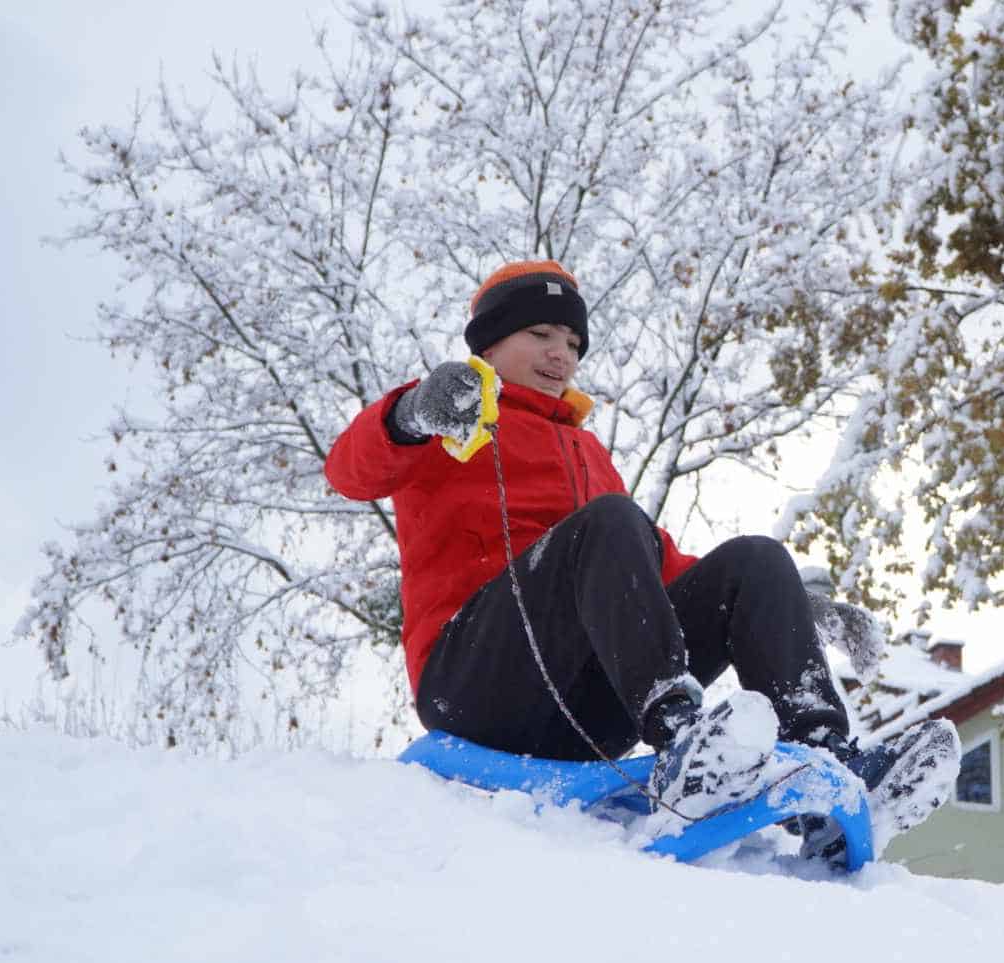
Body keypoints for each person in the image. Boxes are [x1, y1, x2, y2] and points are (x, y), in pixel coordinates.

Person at [325, 260, 956, 854]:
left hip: (584, 705)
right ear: (488, 345)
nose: (559, 354)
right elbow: (349, 471)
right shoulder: (447, 419)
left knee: (755, 560)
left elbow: (649, 569)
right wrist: (410, 414)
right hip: (478, 685)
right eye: (539, 333)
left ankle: (827, 766)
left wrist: (791, 606)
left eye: (573, 343)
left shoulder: (587, 452)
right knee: (607, 523)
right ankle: (684, 741)